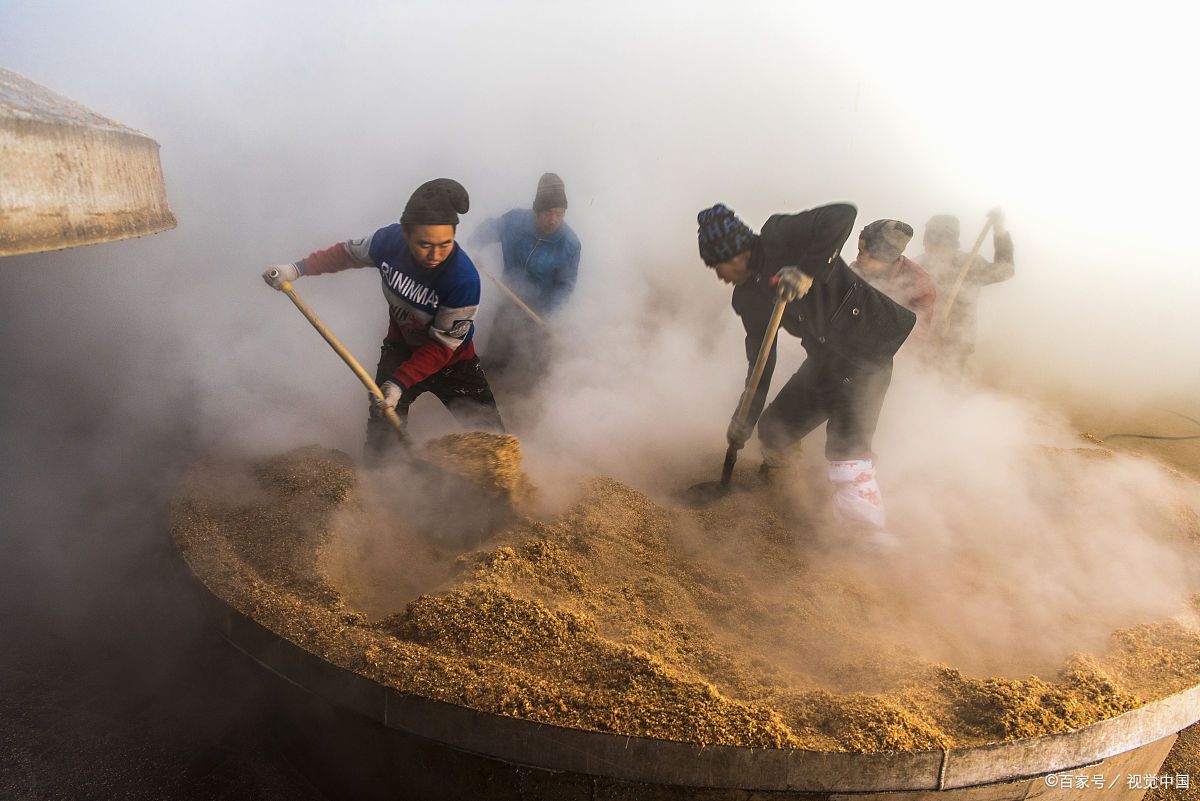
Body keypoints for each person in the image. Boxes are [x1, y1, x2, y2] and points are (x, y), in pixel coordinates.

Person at [696, 202, 915, 545]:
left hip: (866, 351)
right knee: (775, 427)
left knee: (847, 452)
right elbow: (761, 361)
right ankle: (785, 496)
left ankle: (868, 537)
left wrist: (806, 272)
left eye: (717, 265)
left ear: (734, 252)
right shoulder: (747, 298)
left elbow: (842, 214)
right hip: (825, 360)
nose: (719, 276)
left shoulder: (778, 236)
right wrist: (743, 420)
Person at [263, 178, 505, 460]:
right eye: (424, 244)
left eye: (445, 244)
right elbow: (346, 254)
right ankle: (380, 483)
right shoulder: (388, 241)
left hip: (454, 363)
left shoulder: (463, 280)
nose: (435, 255)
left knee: (494, 444)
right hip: (400, 349)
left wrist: (399, 382)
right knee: (382, 437)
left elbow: (442, 346)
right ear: (406, 233)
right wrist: (296, 269)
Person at [468, 173, 581, 388]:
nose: (554, 220)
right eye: (548, 212)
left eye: (560, 213)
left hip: (540, 311)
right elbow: (487, 231)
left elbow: (565, 285)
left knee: (538, 369)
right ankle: (484, 394)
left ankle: (534, 398)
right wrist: (475, 248)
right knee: (496, 355)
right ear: (537, 210)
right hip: (508, 299)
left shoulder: (569, 244)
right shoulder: (515, 221)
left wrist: (548, 312)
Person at [918, 209, 1014, 373]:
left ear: (952, 244)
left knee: (947, 383)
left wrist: (999, 229)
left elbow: (1005, 270)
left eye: (940, 244)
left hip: (956, 343)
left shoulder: (969, 264)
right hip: (919, 343)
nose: (934, 249)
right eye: (931, 243)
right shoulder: (916, 266)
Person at [849, 219, 936, 341]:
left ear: (883, 257)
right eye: (859, 250)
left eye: (862, 253)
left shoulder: (919, 285)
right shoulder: (856, 269)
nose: (858, 258)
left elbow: (916, 337)